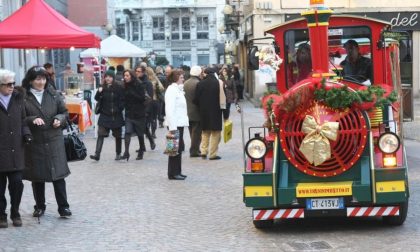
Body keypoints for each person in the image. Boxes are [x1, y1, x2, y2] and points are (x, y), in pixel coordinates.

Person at [22, 66, 72, 218]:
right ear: (30, 80)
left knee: (59, 175)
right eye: (37, 78)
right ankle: (39, 206)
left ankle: (63, 207)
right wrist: (31, 119)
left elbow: (64, 112)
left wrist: (59, 119)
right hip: (35, 141)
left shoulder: (54, 94)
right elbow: (20, 118)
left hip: (54, 139)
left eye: (43, 78)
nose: (41, 82)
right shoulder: (24, 97)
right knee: (38, 177)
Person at [0, 69, 32, 228]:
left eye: (13, 83)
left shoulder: (19, 99)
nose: (12, 87)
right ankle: (1, 215)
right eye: (7, 84)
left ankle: (15, 212)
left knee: (17, 183)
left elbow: (23, 121)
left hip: (16, 150)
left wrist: (26, 134)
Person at [90, 70, 125, 161]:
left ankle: (118, 154)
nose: (108, 78)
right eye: (106, 76)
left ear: (113, 78)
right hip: (105, 115)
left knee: (118, 136)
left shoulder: (118, 87)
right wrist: (99, 91)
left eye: (110, 76)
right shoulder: (102, 87)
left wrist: (119, 108)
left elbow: (122, 100)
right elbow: (96, 98)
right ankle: (97, 155)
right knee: (100, 134)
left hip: (116, 115)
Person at [194, 67, 226, 160]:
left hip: (204, 112)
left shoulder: (200, 83)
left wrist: (200, 106)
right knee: (216, 133)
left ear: (206, 74)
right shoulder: (219, 83)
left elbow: (196, 99)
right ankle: (212, 154)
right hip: (216, 111)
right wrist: (226, 115)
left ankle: (203, 151)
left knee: (205, 132)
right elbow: (224, 100)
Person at [165, 69, 189, 180]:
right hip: (174, 124)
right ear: (176, 78)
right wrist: (172, 127)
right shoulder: (172, 90)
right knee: (174, 149)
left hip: (179, 123)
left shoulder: (178, 89)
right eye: (181, 77)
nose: (183, 79)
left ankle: (177, 171)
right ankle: (173, 173)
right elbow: (170, 109)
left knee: (178, 149)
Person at [122, 70, 146, 161]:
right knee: (127, 132)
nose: (125, 77)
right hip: (129, 113)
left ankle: (141, 151)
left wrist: (132, 93)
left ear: (131, 76)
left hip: (139, 113)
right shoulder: (124, 86)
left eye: (127, 75)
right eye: (124, 75)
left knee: (140, 134)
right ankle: (126, 152)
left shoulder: (139, 85)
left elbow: (142, 98)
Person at [135, 66, 156, 152]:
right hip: (137, 108)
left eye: (139, 71)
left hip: (145, 109)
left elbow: (149, 97)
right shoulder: (136, 82)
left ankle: (148, 143)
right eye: (136, 71)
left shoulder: (148, 83)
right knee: (142, 127)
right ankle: (148, 143)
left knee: (142, 127)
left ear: (143, 72)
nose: (137, 73)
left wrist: (147, 110)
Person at [184, 65, 202, 158]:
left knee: (192, 131)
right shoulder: (198, 83)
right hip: (196, 111)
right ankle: (194, 150)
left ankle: (195, 149)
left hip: (187, 111)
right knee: (196, 132)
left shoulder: (186, 83)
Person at [145, 67, 165, 139]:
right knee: (154, 118)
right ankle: (153, 133)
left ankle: (147, 133)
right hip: (155, 101)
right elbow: (162, 88)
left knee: (147, 118)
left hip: (147, 102)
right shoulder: (155, 79)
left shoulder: (145, 80)